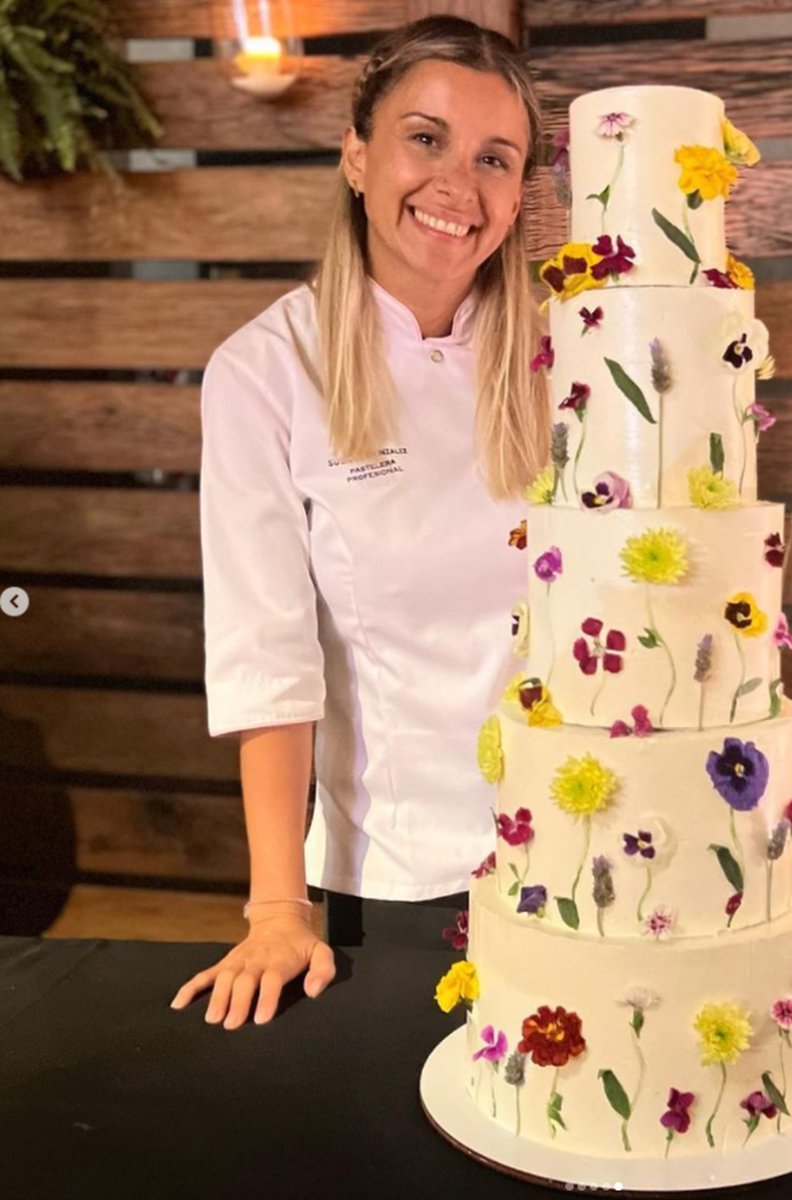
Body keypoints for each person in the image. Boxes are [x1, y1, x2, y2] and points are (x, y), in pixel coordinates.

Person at [169, 15, 549, 1031]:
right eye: (425, 138)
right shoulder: (266, 370)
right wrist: (277, 910)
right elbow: (269, 656)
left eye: (494, 158)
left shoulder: (569, 358)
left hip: (582, 860)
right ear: (356, 154)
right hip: (394, 878)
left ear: (519, 195)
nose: (456, 186)